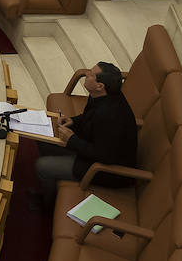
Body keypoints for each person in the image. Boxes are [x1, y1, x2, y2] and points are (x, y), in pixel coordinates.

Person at [33, 62, 138, 205]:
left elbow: (103, 156)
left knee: (42, 166)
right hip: (92, 144)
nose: (86, 74)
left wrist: (72, 140)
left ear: (100, 86)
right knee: (44, 137)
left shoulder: (110, 117)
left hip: (105, 170)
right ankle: (56, 178)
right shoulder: (100, 95)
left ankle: (48, 204)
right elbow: (89, 116)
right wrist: (73, 121)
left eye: (90, 75)